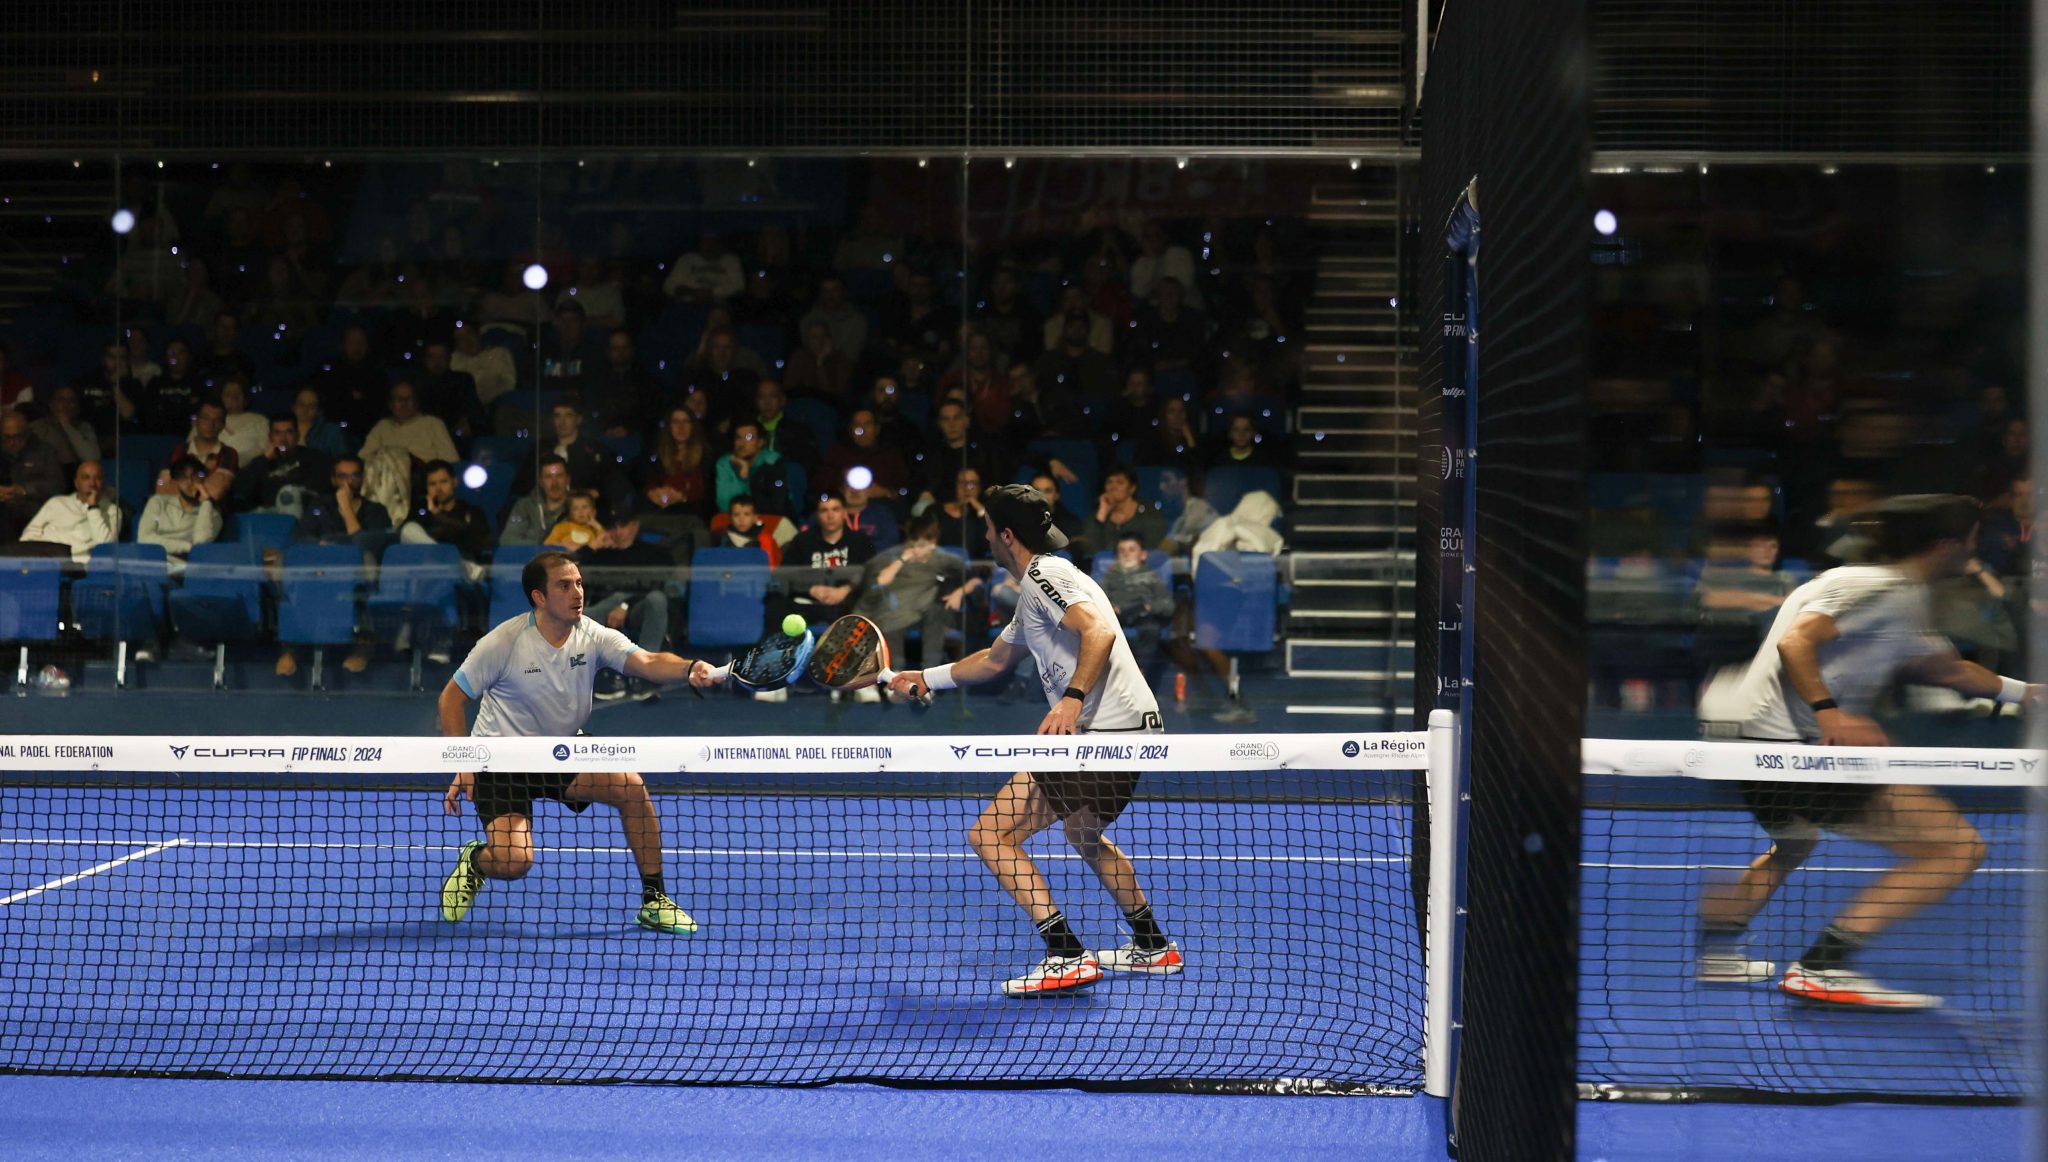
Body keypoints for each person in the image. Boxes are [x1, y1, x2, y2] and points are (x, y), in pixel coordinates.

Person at [1696, 495, 2034, 1009]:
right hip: (1795, 750)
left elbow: (1947, 670)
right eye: (1972, 537)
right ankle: (1823, 966)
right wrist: (1831, 713)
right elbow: (1796, 642)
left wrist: (2026, 693)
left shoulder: (1876, 589)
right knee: (1958, 848)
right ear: (1947, 545)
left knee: (1795, 842)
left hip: (1749, 744)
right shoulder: (1882, 590)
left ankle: (1718, 952)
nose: (1976, 547)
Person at [888, 484, 1179, 997]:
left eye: (987, 530)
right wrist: (924, 677)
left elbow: (1099, 633)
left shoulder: (1045, 575)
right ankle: (1153, 945)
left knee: (990, 835)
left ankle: (1065, 954)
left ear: (1006, 535)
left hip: (1098, 737)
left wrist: (1070, 700)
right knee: (1082, 834)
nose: (985, 538)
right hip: (1129, 734)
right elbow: (995, 660)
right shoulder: (1043, 586)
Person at [438, 551, 713, 935]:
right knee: (514, 862)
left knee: (631, 789)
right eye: (564, 585)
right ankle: (476, 861)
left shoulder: (592, 634)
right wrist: (463, 764)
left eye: (579, 583)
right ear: (539, 597)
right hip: (501, 761)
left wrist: (689, 668)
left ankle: (654, 900)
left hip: (562, 751)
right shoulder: (503, 642)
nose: (577, 592)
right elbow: (451, 699)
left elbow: (648, 662)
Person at [856, 512, 966, 676]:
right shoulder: (892, 556)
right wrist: (903, 559)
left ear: (933, 543)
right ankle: (895, 674)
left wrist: (959, 591)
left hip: (925, 611)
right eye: (913, 544)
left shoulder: (943, 559)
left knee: (935, 613)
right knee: (891, 616)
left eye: (923, 544)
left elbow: (973, 575)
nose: (917, 550)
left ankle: (929, 674)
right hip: (896, 610)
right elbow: (880, 581)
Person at [773, 491, 874, 630]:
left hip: (849, 606)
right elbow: (785, 575)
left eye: (835, 509)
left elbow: (871, 573)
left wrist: (845, 590)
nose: (830, 516)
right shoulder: (802, 541)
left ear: (844, 513)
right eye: (824, 510)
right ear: (817, 515)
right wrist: (811, 589)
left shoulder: (860, 541)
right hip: (808, 605)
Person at [19, 460, 120, 564]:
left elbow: (104, 546)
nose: (92, 483)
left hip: (76, 566)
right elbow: (28, 535)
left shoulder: (112, 511)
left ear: (103, 483)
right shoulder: (57, 502)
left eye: (97, 478)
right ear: (76, 483)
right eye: (86, 478)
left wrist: (93, 508)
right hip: (44, 561)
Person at [1099, 532, 1172, 675]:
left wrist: (1149, 607)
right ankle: (1116, 671)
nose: (1126, 554)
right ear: (1116, 557)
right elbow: (1099, 597)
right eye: (1122, 551)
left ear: (1143, 555)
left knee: (1151, 630)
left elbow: (1167, 605)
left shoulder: (1152, 577)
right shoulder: (1109, 577)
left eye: (1132, 550)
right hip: (1117, 616)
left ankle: (1140, 671)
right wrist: (1111, 607)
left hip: (1143, 615)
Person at [234, 413, 335, 513]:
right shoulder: (262, 461)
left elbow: (321, 490)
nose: (283, 439)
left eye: (289, 432)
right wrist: (265, 459)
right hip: (267, 514)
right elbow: (240, 487)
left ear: (297, 436)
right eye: (277, 433)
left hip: (303, 513)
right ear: (270, 437)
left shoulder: (315, 457)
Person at [136, 456, 223, 573]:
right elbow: (144, 538)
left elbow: (200, 546)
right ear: (176, 482)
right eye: (184, 478)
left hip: (184, 569)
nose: (190, 483)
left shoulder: (211, 514)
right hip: (152, 561)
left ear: (203, 479)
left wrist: (206, 502)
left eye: (195, 477)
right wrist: (187, 547)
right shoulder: (158, 502)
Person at [0, 408, 67, 541]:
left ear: (28, 433)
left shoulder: (45, 452)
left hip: (34, 509)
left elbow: (57, 485)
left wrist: (24, 490)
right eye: (8, 437)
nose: (12, 442)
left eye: (18, 436)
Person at [1084, 467, 1166, 555]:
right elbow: (1090, 548)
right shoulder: (1098, 514)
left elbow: (1154, 546)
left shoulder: (1148, 512)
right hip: (1106, 563)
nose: (1113, 487)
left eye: (1120, 482)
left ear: (1132, 488)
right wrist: (1101, 514)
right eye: (1109, 482)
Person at [501, 455, 574, 545]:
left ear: (568, 479)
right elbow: (507, 539)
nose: (554, 484)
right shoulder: (524, 506)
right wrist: (544, 546)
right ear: (540, 481)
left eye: (559, 476)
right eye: (548, 477)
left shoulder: (580, 506)